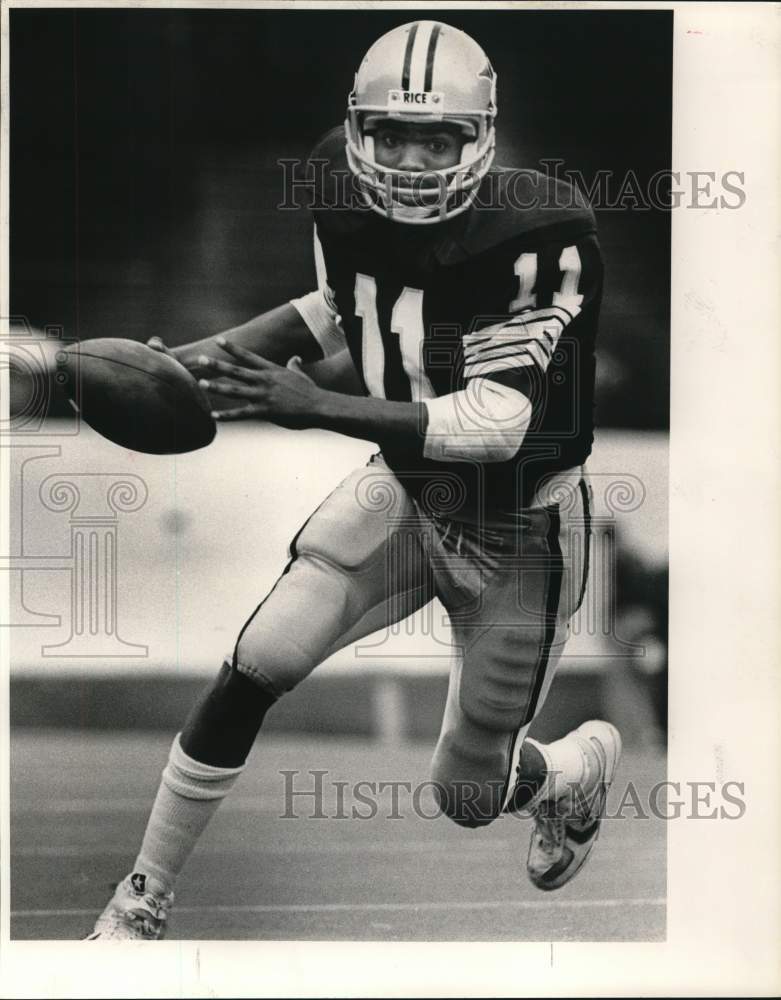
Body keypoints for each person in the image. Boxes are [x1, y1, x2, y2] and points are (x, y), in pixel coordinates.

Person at [87, 20, 621, 940]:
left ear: (480, 137)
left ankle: (563, 773)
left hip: (521, 532)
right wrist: (204, 360)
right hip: (406, 490)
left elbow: (494, 427)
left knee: (463, 792)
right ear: (357, 130)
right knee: (256, 665)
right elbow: (339, 309)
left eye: (438, 138)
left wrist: (312, 406)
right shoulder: (338, 186)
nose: (412, 159)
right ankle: (137, 906)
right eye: (391, 135)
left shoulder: (541, 233)